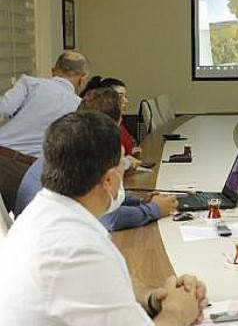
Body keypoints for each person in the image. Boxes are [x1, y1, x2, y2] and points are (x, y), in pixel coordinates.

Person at [0, 111, 206, 325]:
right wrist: (179, 311)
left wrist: (152, 298)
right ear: (109, 179)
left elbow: (104, 282)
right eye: (122, 164)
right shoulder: (76, 248)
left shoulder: (47, 215)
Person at [13, 88, 178, 231]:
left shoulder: (72, 144)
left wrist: (138, 201)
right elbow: (106, 218)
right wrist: (153, 210)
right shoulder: (85, 153)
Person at [0, 51, 89, 212]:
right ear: (82, 79)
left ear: (53, 71)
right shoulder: (80, 107)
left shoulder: (29, 83)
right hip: (24, 173)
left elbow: (4, 109)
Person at [81, 76, 140, 156]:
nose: (125, 101)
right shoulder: (100, 128)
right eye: (120, 96)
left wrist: (132, 150)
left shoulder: (119, 122)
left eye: (125, 96)